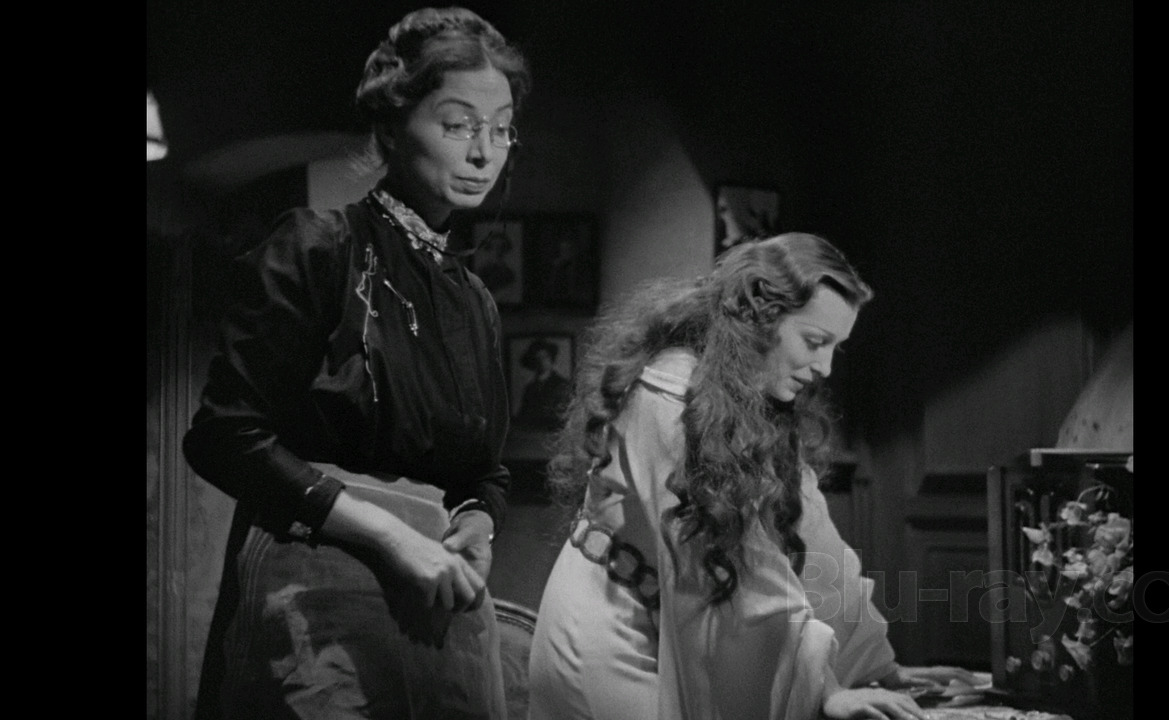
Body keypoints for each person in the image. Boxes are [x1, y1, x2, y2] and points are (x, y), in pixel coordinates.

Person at [183, 7, 530, 719]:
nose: (483, 153)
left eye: (501, 130)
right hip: (317, 593)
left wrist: (477, 524)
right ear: (393, 125)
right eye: (458, 124)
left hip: (440, 603)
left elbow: (483, 473)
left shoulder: (474, 300)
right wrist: (388, 534)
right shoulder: (317, 248)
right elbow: (223, 435)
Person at [527, 233, 982, 720]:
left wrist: (875, 666)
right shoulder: (669, 398)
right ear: (759, 319)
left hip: (665, 626)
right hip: (611, 635)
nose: (825, 367)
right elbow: (743, 565)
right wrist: (825, 688)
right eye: (815, 342)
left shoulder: (755, 400)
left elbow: (815, 537)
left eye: (836, 347)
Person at [514, 338, 572, 430]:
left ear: (551, 359)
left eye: (544, 357)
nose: (541, 361)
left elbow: (563, 415)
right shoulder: (530, 388)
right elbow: (523, 414)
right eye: (537, 358)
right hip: (531, 432)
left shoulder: (562, 384)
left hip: (553, 432)